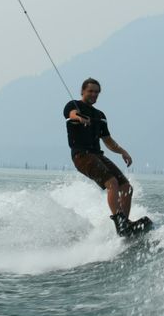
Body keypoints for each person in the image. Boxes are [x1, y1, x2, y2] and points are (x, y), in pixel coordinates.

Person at [64, 78, 150, 237]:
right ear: (82, 91)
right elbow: (71, 114)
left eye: (97, 92)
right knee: (112, 183)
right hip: (81, 155)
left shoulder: (100, 116)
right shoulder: (73, 105)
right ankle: (120, 223)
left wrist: (123, 152)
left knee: (126, 187)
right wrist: (79, 118)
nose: (93, 94)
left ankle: (126, 223)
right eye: (90, 91)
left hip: (97, 155)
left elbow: (108, 141)